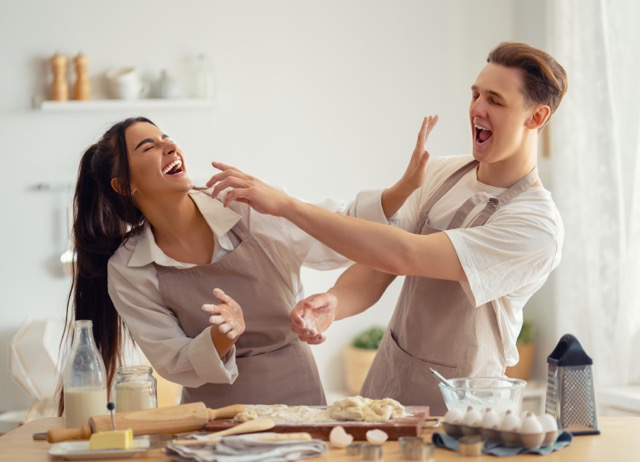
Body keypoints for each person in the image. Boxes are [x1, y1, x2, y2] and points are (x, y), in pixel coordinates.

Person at [207, 41, 568, 414]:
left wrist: (287, 207)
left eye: (495, 100)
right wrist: (337, 301)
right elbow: (381, 264)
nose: (476, 108)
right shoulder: (444, 173)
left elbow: (405, 254)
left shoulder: (535, 225)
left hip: (464, 403)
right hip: (390, 380)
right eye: (475, 94)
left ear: (536, 117)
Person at [58, 116, 396, 413]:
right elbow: (172, 359)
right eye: (150, 147)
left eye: (167, 139)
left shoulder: (245, 204)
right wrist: (221, 336)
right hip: (209, 418)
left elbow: (335, 235)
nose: (170, 146)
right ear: (125, 185)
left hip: (298, 401)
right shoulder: (130, 267)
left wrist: (403, 191)